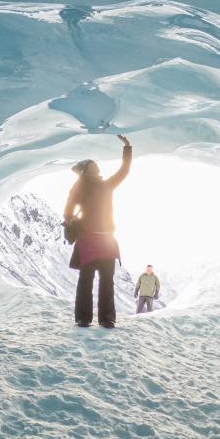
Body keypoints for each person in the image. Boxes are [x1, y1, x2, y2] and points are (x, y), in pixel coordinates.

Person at [64, 135, 132, 328]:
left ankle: (83, 319)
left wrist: (71, 223)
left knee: (86, 281)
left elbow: (67, 212)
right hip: (107, 241)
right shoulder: (106, 185)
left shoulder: (78, 187)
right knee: (106, 281)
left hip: (88, 241)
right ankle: (107, 319)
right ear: (91, 170)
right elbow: (124, 171)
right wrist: (127, 148)